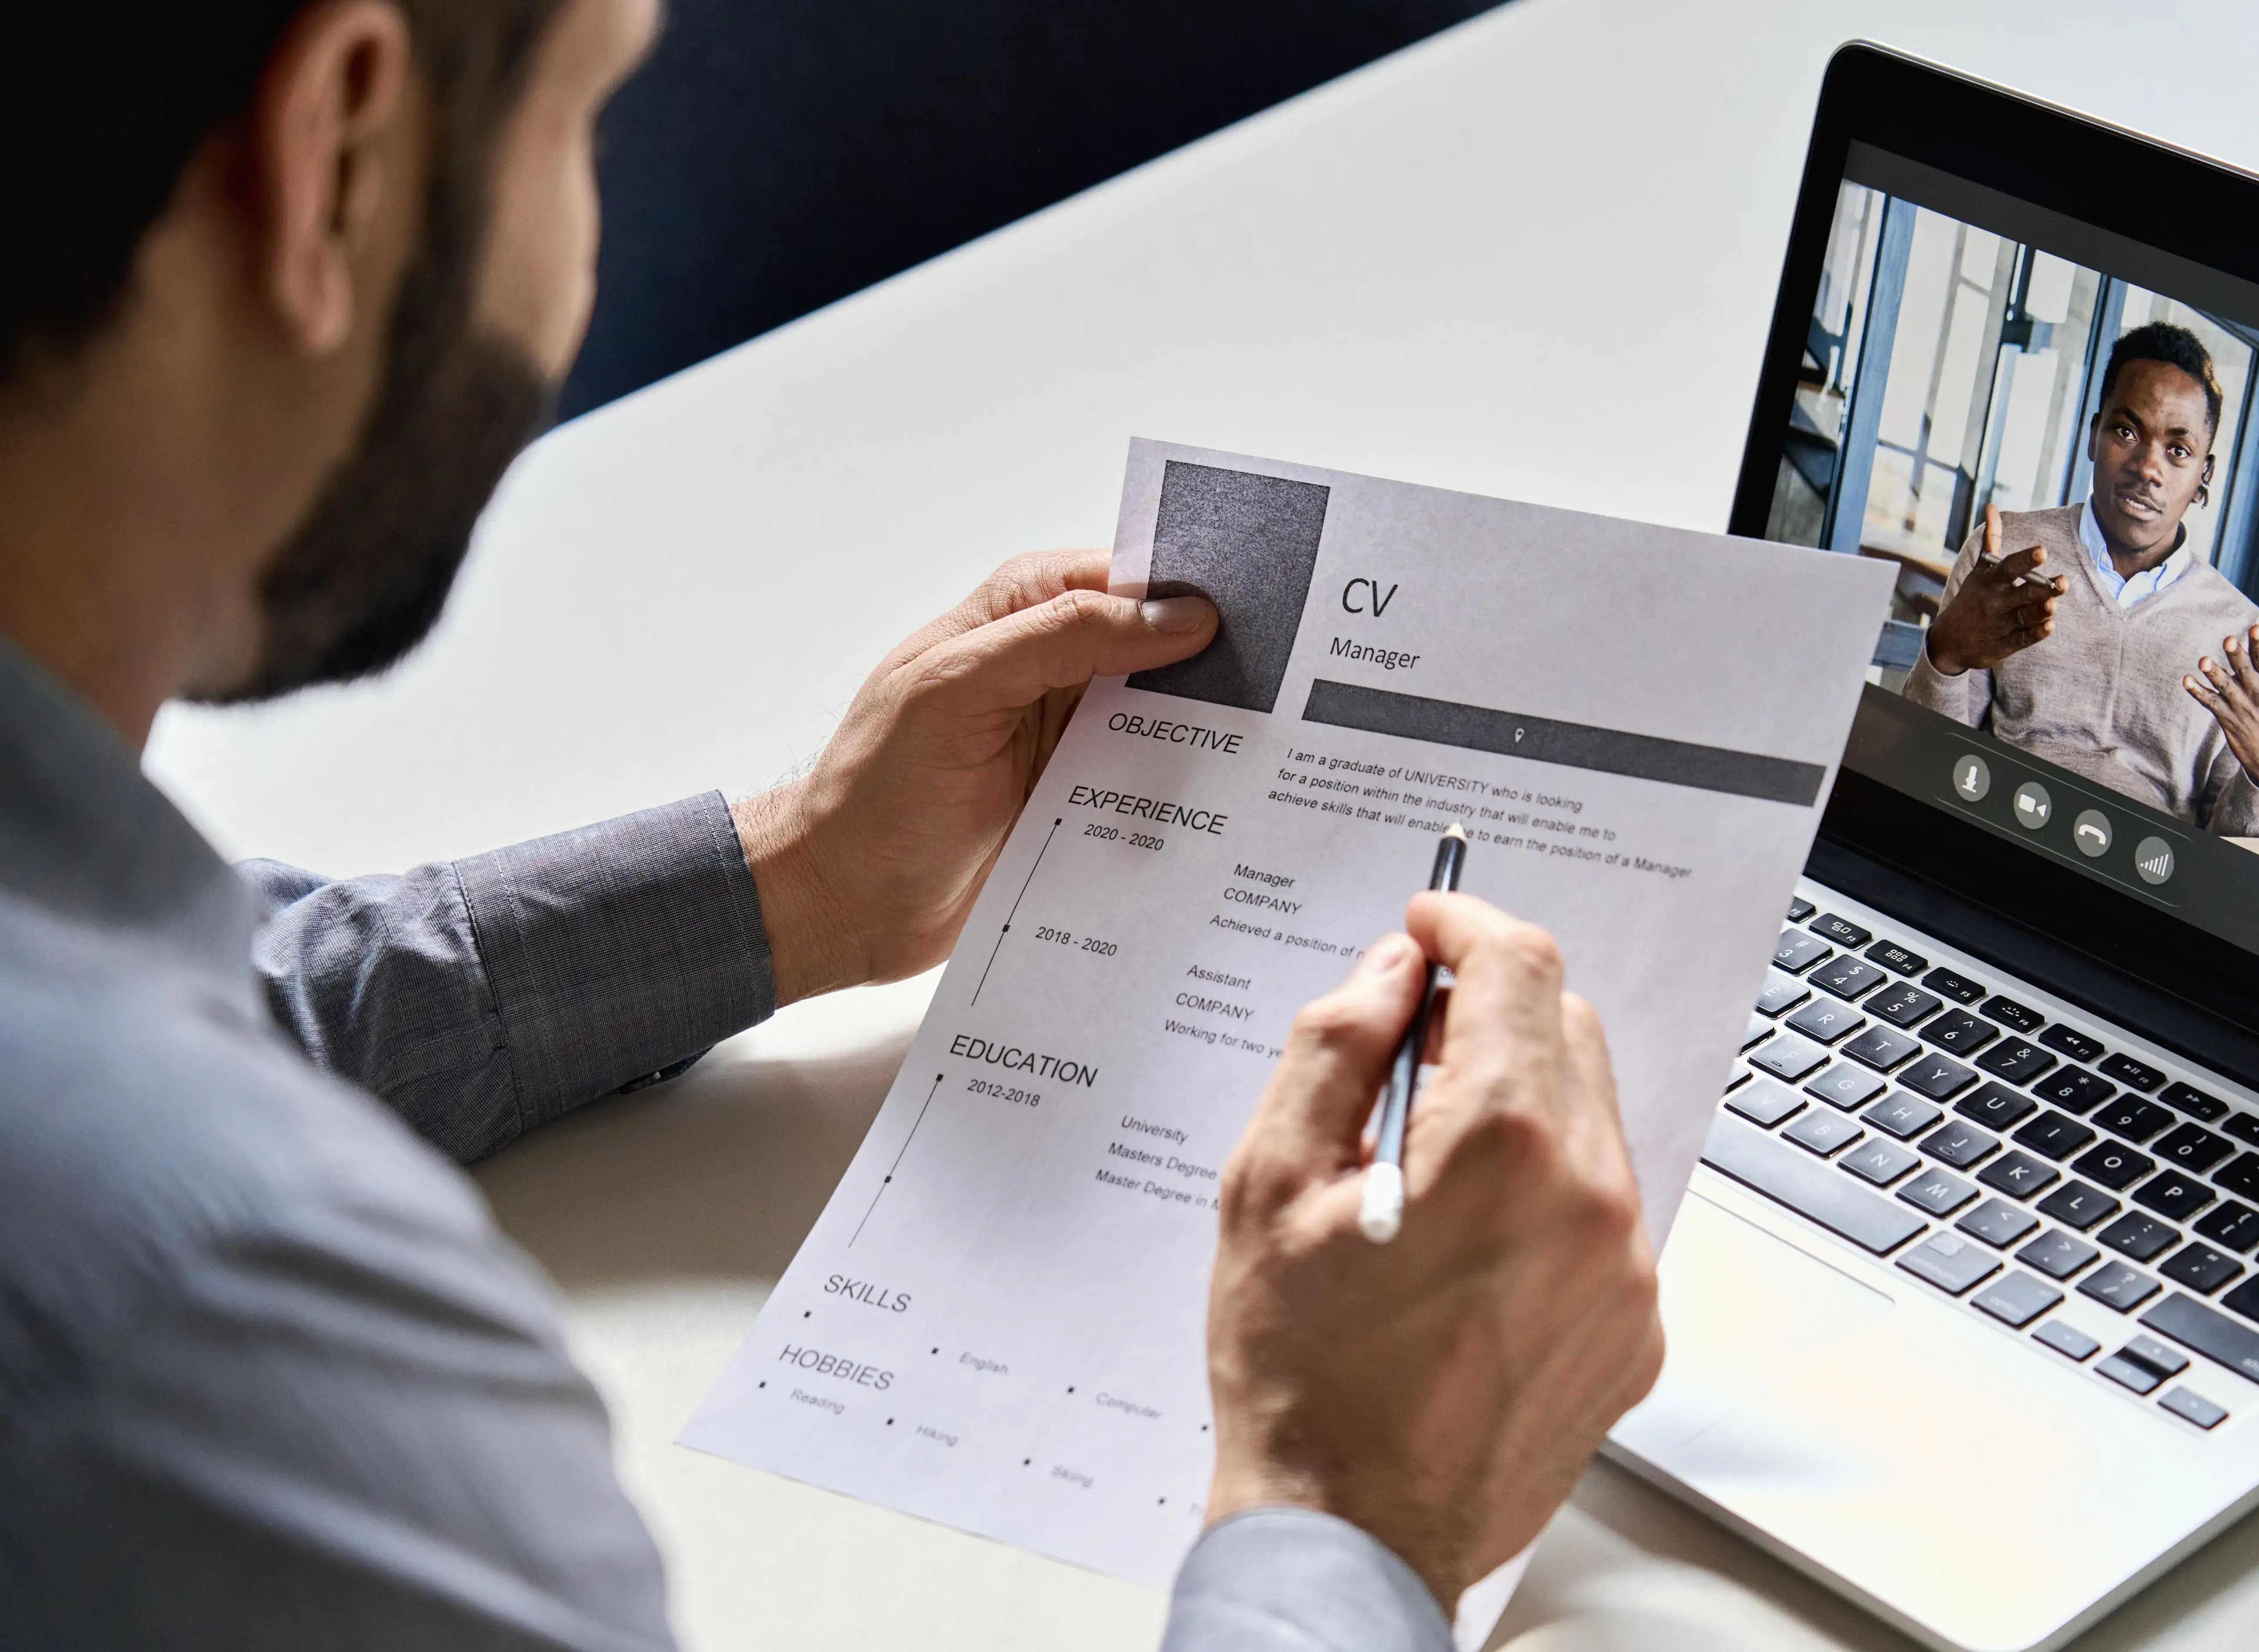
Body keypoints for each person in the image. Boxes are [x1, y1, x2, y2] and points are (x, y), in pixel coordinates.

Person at [0, 4, 1664, 1649]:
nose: (583, 254)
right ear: (334, 154)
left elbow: (220, 1000)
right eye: (591, 124)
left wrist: (798, 882)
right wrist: (1347, 1514)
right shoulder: (227, 1363)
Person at [1903, 322, 2259, 837]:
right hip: (1995, 839)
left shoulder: (2239, 632)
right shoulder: (2003, 556)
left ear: (2205, 476)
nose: (2147, 468)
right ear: (2094, 435)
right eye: (2127, 432)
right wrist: (1946, 656)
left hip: (2144, 885)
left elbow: (2237, 865)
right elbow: (1928, 759)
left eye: (2178, 451)